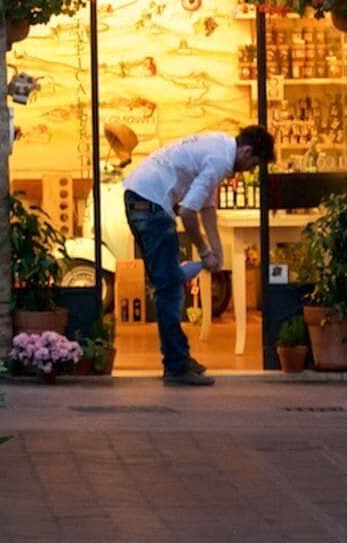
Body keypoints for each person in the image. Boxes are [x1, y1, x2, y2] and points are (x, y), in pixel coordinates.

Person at [116, 124, 275, 385]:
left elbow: (206, 206)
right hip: (150, 204)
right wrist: (204, 251)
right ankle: (176, 367)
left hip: (141, 197)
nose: (250, 170)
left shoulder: (220, 145)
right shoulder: (220, 159)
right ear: (247, 152)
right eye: (254, 164)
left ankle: (179, 357)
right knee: (169, 288)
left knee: (167, 283)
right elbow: (189, 212)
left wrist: (217, 251)